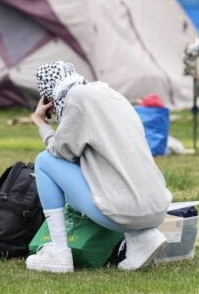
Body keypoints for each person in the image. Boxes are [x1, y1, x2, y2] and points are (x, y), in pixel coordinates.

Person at [27, 61, 173, 273]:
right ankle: (141, 239)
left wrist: (41, 123)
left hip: (121, 212)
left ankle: (59, 253)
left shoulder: (77, 99)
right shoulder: (111, 95)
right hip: (157, 210)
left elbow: (59, 152)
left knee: (43, 162)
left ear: (49, 96)